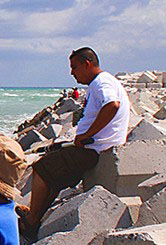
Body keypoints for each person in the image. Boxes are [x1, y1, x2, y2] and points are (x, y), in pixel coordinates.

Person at [17, 47, 131, 239]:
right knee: (53, 168)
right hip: (95, 146)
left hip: (95, 149)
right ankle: (35, 216)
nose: (72, 73)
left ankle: (31, 220)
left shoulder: (101, 83)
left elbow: (112, 105)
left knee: (41, 168)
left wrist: (87, 134)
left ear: (87, 64)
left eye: (74, 67)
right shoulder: (104, 81)